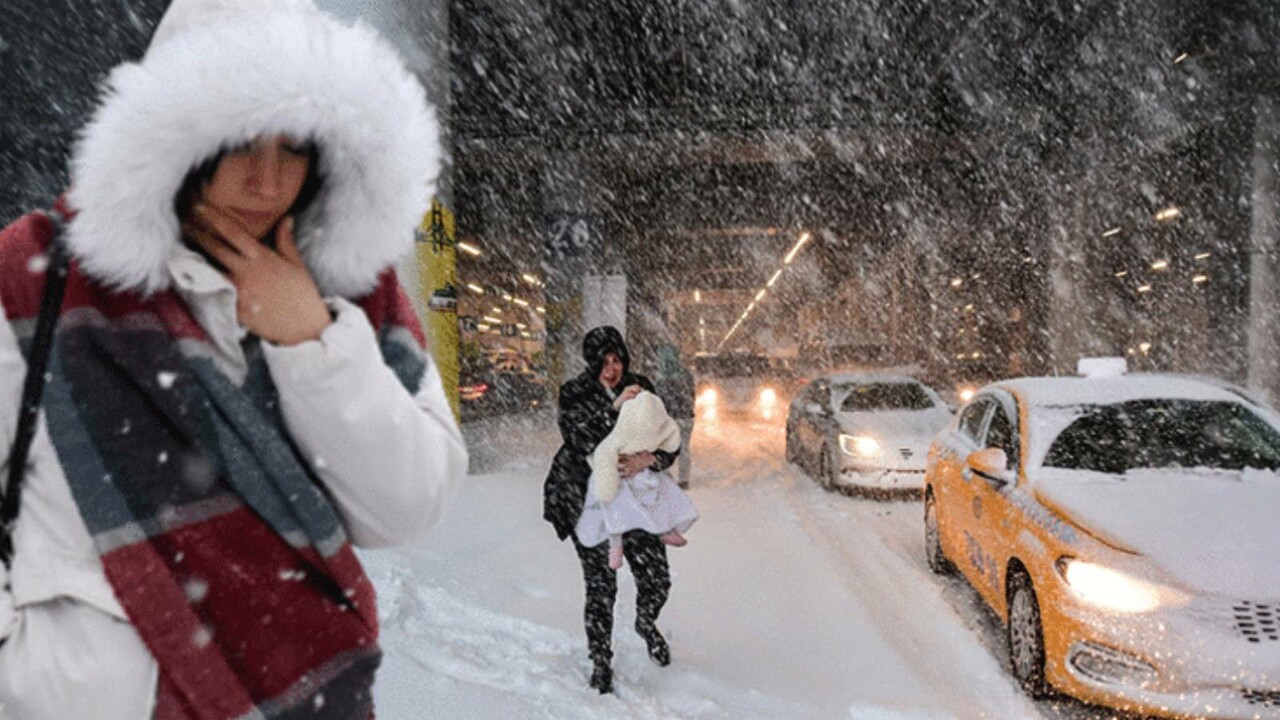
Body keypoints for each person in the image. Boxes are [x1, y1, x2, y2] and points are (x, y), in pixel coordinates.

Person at [0, 0, 468, 717]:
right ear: (175, 140)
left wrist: (310, 339)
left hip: (306, 692)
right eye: (242, 141)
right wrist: (38, 672)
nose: (267, 182)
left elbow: (405, 508)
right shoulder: (37, 276)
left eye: (296, 148)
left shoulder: (351, 291)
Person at [543, 326, 679, 695]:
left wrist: (651, 458)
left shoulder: (642, 386)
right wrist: (612, 409)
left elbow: (667, 434)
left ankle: (646, 623)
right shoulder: (574, 392)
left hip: (636, 503)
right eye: (604, 361)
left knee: (657, 578)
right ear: (592, 363)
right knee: (601, 587)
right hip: (589, 503)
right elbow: (578, 437)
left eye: (617, 360)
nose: (611, 369)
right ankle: (600, 659)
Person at [575, 390, 699, 570]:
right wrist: (607, 483)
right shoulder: (612, 428)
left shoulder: (650, 407)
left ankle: (664, 528)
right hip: (616, 475)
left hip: (644, 474)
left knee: (660, 496)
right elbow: (591, 445)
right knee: (614, 509)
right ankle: (615, 546)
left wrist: (651, 459)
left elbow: (670, 444)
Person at [652, 343, 696, 488]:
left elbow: (657, 399)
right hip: (686, 416)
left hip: (667, 418)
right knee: (684, 448)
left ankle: (664, 476)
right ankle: (684, 479)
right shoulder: (686, 374)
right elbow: (691, 394)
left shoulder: (660, 377)